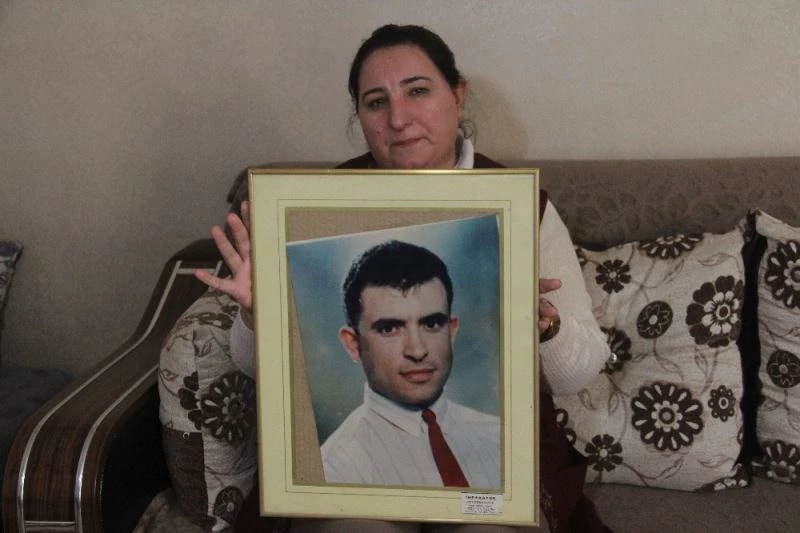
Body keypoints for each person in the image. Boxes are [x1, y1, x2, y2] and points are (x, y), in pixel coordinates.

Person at [196, 23, 613, 533]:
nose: (398, 119)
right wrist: (255, 315)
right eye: (376, 102)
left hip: (501, 473)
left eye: (417, 91)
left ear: (457, 96)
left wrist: (546, 328)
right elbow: (256, 368)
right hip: (357, 484)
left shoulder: (523, 204)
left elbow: (578, 374)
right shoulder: (312, 206)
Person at [322, 239, 501, 488]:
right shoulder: (334, 469)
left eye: (432, 324)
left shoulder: (501, 437)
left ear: (451, 332)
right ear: (353, 344)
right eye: (389, 329)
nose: (417, 350)